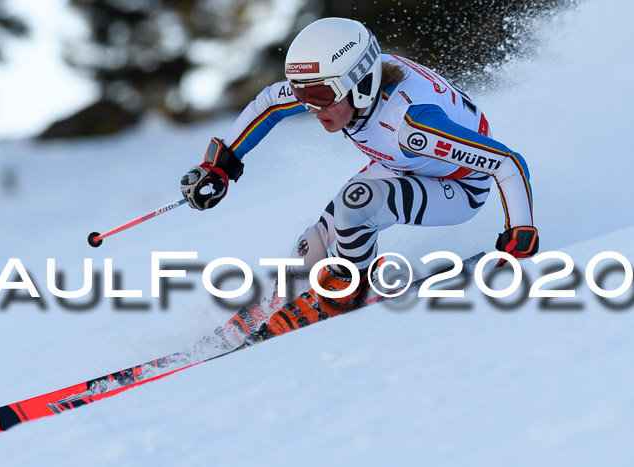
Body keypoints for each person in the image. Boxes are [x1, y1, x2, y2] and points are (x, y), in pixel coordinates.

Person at [180, 17, 539, 341]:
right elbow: (270, 103)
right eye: (304, 94)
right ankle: (282, 300)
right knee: (313, 244)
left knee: (358, 203)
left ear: (362, 84)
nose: (311, 107)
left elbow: (506, 162)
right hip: (404, 164)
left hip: (460, 185)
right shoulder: (340, 89)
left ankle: (343, 291)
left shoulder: (413, 124)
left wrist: (520, 235)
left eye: (319, 95)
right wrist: (222, 164)